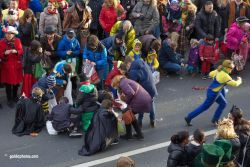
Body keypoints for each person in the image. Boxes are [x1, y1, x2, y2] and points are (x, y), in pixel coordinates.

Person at [185, 60, 242, 126]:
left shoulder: (219, 70)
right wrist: (239, 80)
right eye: (231, 68)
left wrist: (216, 75)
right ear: (226, 68)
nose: (232, 69)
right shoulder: (225, 76)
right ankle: (189, 117)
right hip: (214, 94)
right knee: (204, 107)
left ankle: (215, 119)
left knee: (223, 103)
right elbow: (235, 84)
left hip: (214, 92)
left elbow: (210, 74)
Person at [111, 75, 152, 139]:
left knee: (127, 114)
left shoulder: (122, 84)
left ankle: (129, 135)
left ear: (116, 83)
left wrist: (126, 102)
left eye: (115, 86)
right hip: (144, 98)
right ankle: (139, 134)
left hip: (140, 100)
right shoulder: (125, 81)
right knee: (131, 115)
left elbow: (130, 93)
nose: (116, 88)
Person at [125, 57, 157, 128]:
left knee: (141, 105)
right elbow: (151, 70)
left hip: (143, 90)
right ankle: (153, 120)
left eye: (127, 66)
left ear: (129, 63)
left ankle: (140, 122)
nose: (127, 68)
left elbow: (133, 84)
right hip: (151, 87)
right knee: (151, 104)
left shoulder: (133, 70)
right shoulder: (142, 63)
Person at [0, 26, 23, 108]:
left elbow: (21, 51)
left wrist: (16, 51)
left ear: (13, 34)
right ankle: (9, 99)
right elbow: (1, 55)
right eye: (7, 34)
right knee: (8, 85)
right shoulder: (1, 42)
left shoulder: (17, 41)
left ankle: (15, 97)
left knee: (16, 84)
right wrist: (4, 54)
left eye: (10, 34)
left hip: (16, 66)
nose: (8, 35)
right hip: (7, 67)